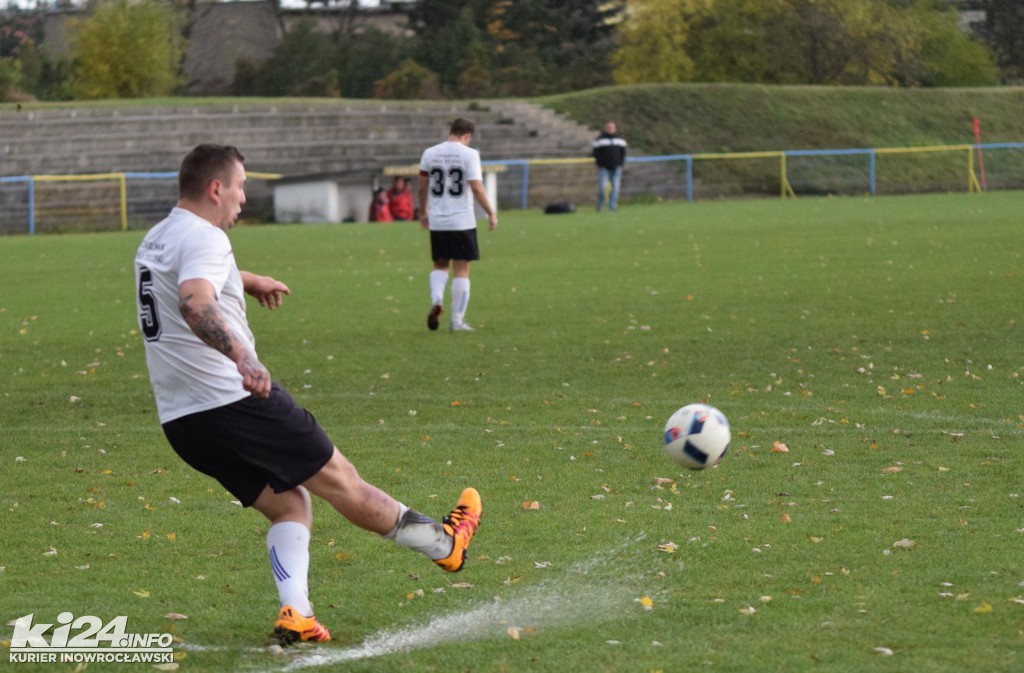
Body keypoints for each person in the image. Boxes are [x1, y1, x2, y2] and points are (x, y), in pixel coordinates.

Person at [133, 144, 481, 645]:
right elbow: (193, 301)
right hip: (233, 402)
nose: (243, 198)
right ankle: (443, 544)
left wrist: (245, 281)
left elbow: (183, 282)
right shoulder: (206, 237)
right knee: (344, 483)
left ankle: (296, 613)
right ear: (215, 188)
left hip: (183, 421)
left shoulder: (158, 237)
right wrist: (243, 357)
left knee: (290, 506)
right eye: (241, 186)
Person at [418, 118, 498, 332]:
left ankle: (437, 299)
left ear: (451, 131)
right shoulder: (469, 154)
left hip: (438, 221)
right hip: (462, 221)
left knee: (440, 264)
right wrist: (491, 212)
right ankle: (456, 321)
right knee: (462, 270)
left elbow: (422, 187)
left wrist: (424, 211)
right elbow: (477, 187)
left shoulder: (429, 153)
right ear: (468, 135)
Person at [592, 121, 627, 212]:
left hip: (616, 168)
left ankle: (612, 207)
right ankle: (600, 206)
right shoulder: (599, 140)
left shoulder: (620, 140)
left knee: (615, 188)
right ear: (605, 128)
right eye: (608, 127)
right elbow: (595, 154)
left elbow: (623, 154)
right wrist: (600, 164)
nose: (610, 129)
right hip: (604, 168)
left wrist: (620, 164)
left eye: (612, 127)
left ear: (615, 129)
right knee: (602, 188)